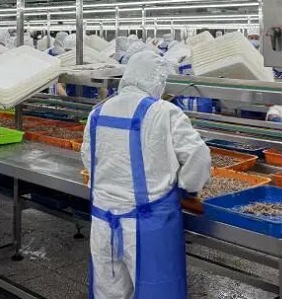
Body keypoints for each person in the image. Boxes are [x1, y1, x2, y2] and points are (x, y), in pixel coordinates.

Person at [81, 51, 211, 299]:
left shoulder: (98, 112)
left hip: (103, 222)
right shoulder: (164, 112)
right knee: (157, 291)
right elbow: (199, 156)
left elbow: (89, 158)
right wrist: (187, 187)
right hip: (149, 226)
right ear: (157, 80)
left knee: (108, 293)